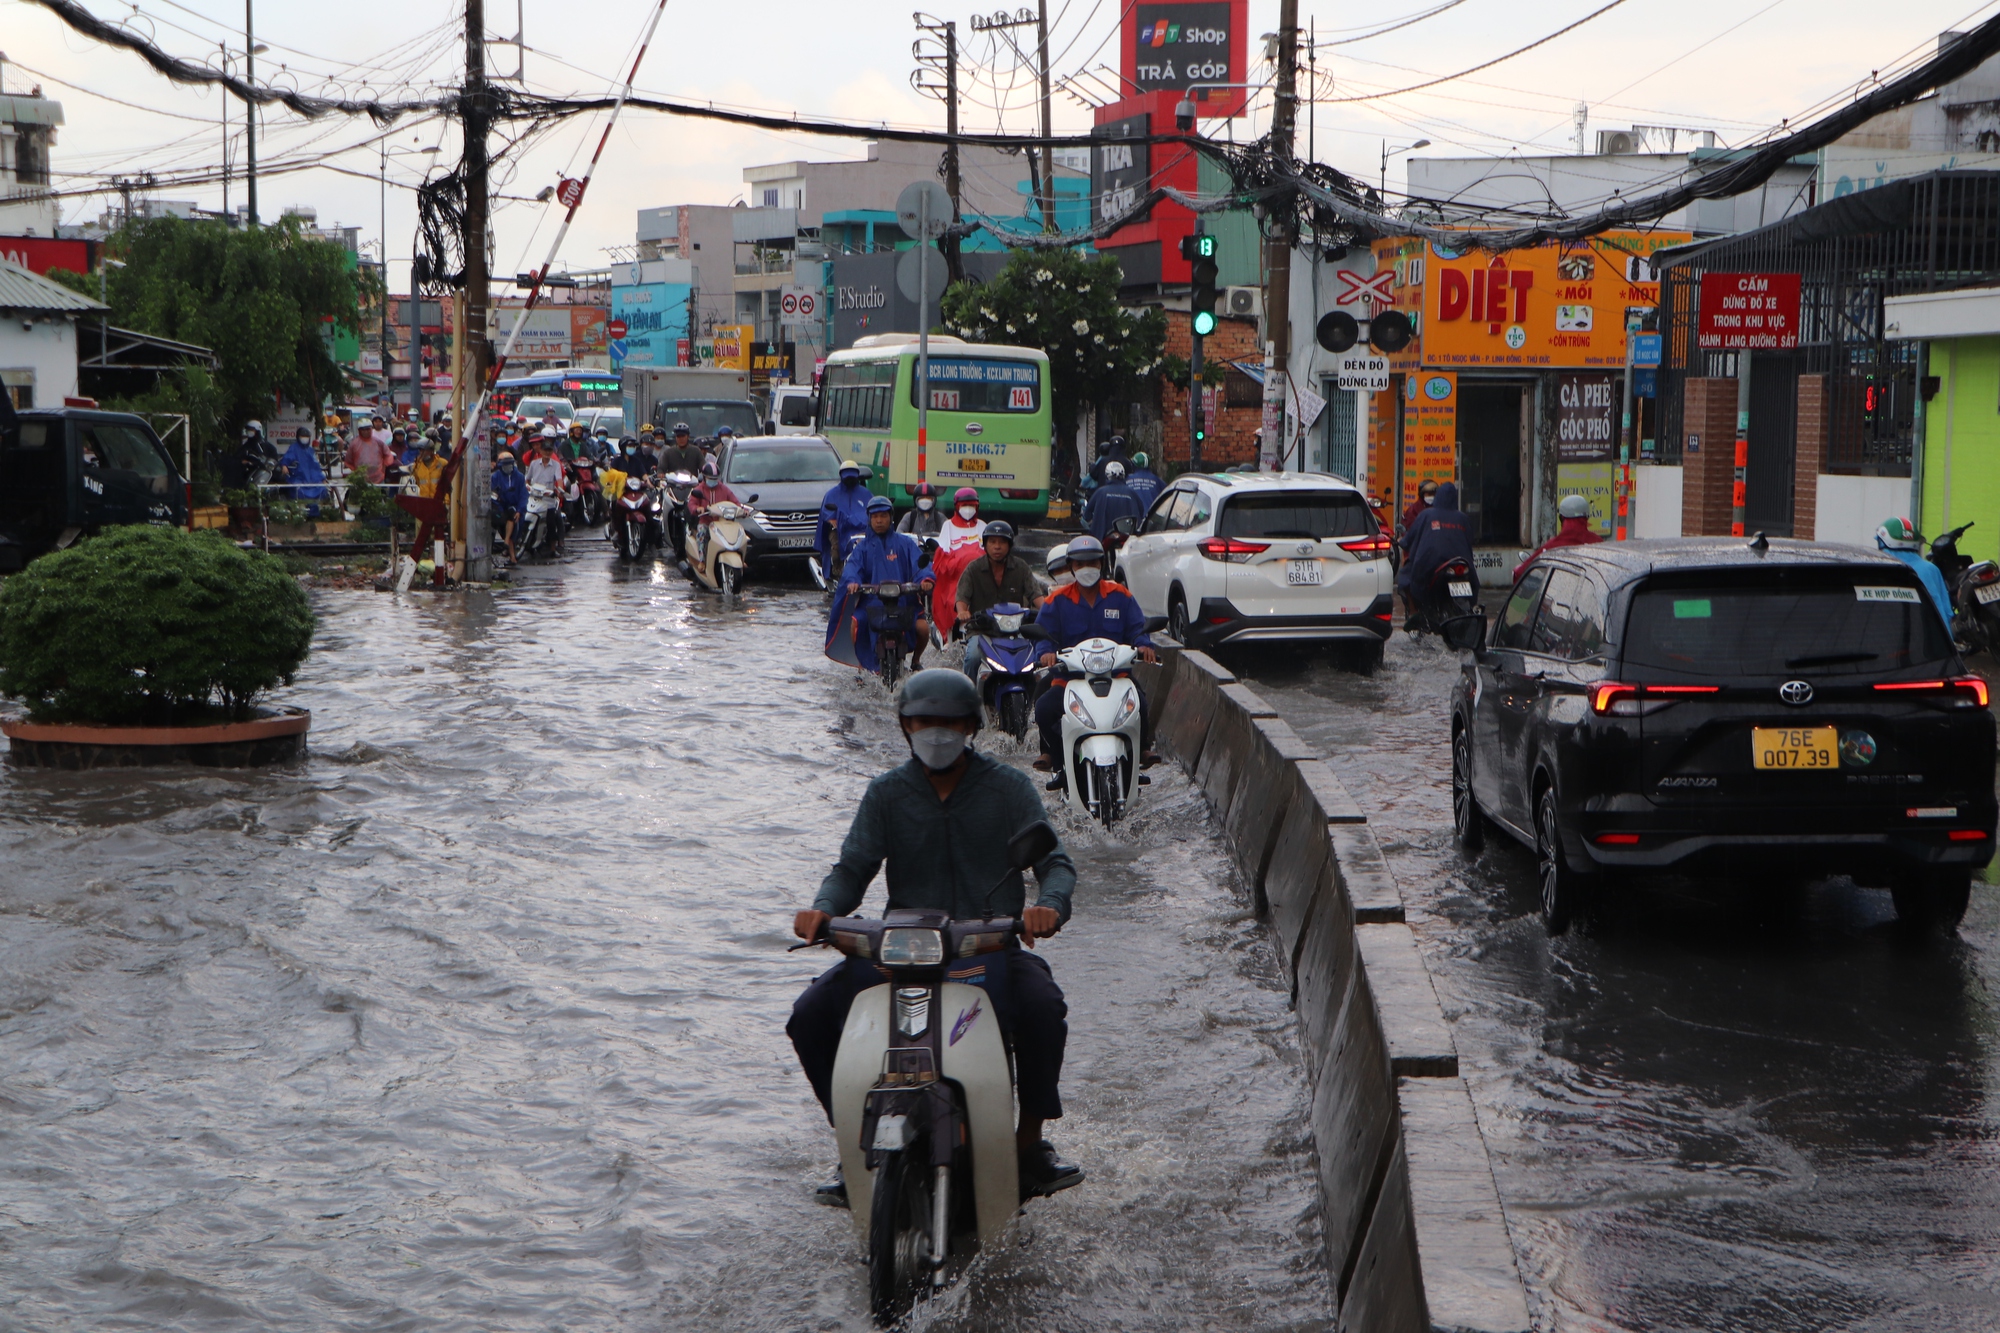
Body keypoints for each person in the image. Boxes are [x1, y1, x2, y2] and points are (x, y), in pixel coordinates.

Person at [788, 669, 1083, 1207]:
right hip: (902, 951)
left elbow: (1055, 864)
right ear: (905, 726)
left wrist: (1048, 907)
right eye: (926, 722)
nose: (938, 733)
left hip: (987, 945)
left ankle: (1030, 1142)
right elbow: (852, 868)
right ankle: (852, 1143)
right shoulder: (887, 794)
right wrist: (823, 910)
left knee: (1043, 1006)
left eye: (949, 723)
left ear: (971, 726)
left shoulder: (1009, 788)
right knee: (809, 1014)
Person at [1032, 534, 1157, 787]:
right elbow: (1043, 635)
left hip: (1116, 677)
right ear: (1071, 566)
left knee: (1140, 703)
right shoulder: (1056, 601)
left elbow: (1137, 627)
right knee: (1044, 709)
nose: (1086, 568)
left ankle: (1139, 753)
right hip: (1071, 680)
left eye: (1092, 563)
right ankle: (1062, 761)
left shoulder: (1120, 595)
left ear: (1101, 564)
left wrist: (1144, 645)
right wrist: (1045, 652)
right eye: (1079, 564)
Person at [833, 495, 935, 671]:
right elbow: (852, 568)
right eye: (875, 517)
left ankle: (916, 661)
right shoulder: (862, 547)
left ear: (891, 517)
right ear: (869, 519)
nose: (879, 520)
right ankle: (861, 665)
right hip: (871, 604)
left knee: (923, 628)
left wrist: (925, 580)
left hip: (904, 602)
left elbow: (919, 565)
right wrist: (853, 582)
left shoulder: (905, 544)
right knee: (855, 624)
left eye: (883, 516)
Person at [956, 521, 1042, 684]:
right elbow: (962, 598)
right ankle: (969, 695)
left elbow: (1036, 596)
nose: (997, 546)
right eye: (992, 542)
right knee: (973, 657)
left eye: (1002, 542)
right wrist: (962, 611)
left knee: (1035, 660)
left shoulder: (1021, 567)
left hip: (1015, 630)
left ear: (1009, 545)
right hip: (982, 631)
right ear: (985, 544)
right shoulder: (974, 568)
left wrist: (1049, 613)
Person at [1399, 481, 1477, 618]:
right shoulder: (1463, 518)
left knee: (1405, 576)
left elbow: (1409, 538)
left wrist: (1403, 542)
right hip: (1462, 564)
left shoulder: (1426, 515)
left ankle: (1413, 613)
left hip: (1432, 563)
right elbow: (1470, 539)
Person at [1877, 516, 1954, 627]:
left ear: (1883, 543)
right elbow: (1947, 613)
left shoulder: (1880, 568)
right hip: (1930, 641)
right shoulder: (1931, 570)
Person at [1514, 494, 1603, 582]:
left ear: (1562, 518)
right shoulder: (1599, 543)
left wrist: (1517, 571)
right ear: (1586, 517)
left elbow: (1521, 572)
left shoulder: (1552, 546)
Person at [815, 460, 874, 576]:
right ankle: (836, 569)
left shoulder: (866, 494)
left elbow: (872, 509)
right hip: (839, 530)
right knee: (836, 548)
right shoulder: (832, 494)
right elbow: (826, 513)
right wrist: (833, 520)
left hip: (862, 531)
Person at [1084, 460, 1144, 544]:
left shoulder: (1100, 492)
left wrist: (1094, 524)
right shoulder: (1131, 492)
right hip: (1128, 538)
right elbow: (1141, 512)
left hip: (1102, 537)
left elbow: (1087, 514)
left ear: (1107, 475)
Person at [274, 426, 328, 517]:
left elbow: (316, 467)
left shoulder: (311, 451)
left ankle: (318, 515)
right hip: (299, 478)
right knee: (298, 491)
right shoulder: (294, 448)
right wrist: (284, 466)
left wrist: (322, 478)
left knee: (323, 489)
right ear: (298, 437)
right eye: (302, 436)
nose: (305, 438)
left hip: (313, 480)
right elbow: (286, 459)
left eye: (306, 436)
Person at [490, 450, 527, 563]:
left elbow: (523, 495)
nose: (508, 467)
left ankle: (511, 552)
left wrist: (520, 510)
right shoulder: (495, 477)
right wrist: (499, 506)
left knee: (513, 520)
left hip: (515, 507)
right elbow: (492, 494)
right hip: (500, 507)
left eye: (510, 464)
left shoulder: (519, 477)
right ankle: (509, 551)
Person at [937, 486, 987, 555]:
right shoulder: (948, 525)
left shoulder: (982, 526)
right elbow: (943, 552)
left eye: (971, 505)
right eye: (964, 505)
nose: (968, 509)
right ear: (957, 507)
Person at [345, 418, 395, 485]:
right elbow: (348, 461)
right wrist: (356, 471)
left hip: (379, 479)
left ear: (371, 429)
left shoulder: (378, 442)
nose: (365, 432)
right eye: (363, 430)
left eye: (367, 429)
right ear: (359, 430)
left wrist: (384, 467)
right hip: (361, 479)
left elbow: (388, 455)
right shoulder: (354, 444)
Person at [1399, 479, 1440, 555]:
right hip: (1418, 550)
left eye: (1434, 494)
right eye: (1429, 494)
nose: (1432, 497)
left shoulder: (1440, 508)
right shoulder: (1413, 510)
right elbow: (1410, 533)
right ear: (1422, 495)